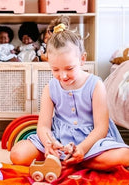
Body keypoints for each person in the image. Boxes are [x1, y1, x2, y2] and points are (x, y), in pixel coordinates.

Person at [10, 21, 129, 171]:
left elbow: (101, 128)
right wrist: (49, 143)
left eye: (69, 68)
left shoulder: (96, 85)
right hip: (59, 139)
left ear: (82, 59)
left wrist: (83, 149)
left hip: (91, 142)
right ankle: (68, 160)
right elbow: (44, 126)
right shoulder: (50, 88)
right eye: (55, 69)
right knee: (18, 154)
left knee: (124, 155)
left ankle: (74, 161)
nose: (63, 75)